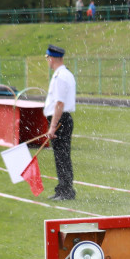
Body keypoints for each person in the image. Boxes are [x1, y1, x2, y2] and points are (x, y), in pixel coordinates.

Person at [44, 44, 77, 200]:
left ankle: (66, 190)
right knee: (61, 156)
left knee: (62, 156)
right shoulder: (64, 74)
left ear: (52, 58)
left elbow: (59, 103)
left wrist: (52, 127)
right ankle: (62, 189)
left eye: (48, 58)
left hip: (60, 119)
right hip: (61, 118)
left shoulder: (60, 76)